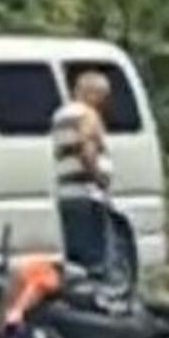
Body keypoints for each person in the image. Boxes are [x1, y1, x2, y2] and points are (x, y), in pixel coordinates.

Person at [51, 71, 120, 284]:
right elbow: (85, 145)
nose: (104, 102)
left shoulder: (60, 116)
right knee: (96, 262)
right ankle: (98, 304)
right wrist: (98, 176)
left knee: (75, 263)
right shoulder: (88, 115)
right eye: (102, 95)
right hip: (88, 195)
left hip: (66, 195)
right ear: (91, 93)